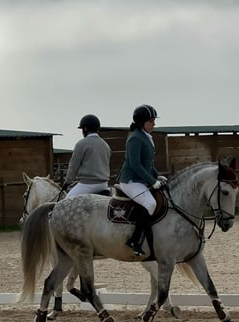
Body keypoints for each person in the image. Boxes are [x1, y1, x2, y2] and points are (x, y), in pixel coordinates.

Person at [117, 104, 168, 256]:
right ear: (141, 122)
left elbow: (148, 164)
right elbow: (135, 164)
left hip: (141, 180)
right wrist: (152, 181)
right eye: (151, 121)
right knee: (150, 203)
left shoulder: (146, 136)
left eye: (153, 121)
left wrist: (157, 176)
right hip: (130, 181)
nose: (154, 124)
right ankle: (134, 239)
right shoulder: (135, 138)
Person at [63, 114, 112, 198]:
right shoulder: (106, 145)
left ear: (85, 129)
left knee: (66, 201)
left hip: (87, 185)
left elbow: (74, 166)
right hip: (104, 185)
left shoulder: (81, 144)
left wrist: (68, 181)